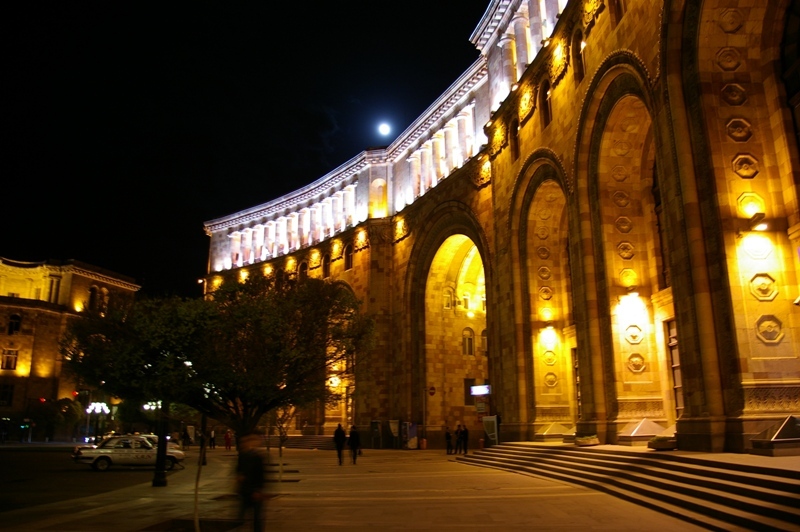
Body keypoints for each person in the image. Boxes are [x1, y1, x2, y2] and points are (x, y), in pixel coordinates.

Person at [236, 433, 266, 532]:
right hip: (244, 491)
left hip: (254, 490)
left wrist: (258, 490)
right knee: (241, 517)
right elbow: (239, 471)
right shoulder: (242, 456)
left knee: (257, 518)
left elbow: (260, 475)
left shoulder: (257, 457)